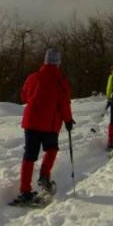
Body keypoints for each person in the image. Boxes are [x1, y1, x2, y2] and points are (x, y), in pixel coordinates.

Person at [13, 48, 74, 204]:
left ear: (45, 61)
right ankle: (44, 176)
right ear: (58, 62)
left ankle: (25, 191)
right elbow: (64, 104)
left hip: (31, 122)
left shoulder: (33, 77)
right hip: (50, 123)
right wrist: (68, 120)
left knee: (29, 155)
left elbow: (24, 95)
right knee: (51, 149)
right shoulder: (60, 81)